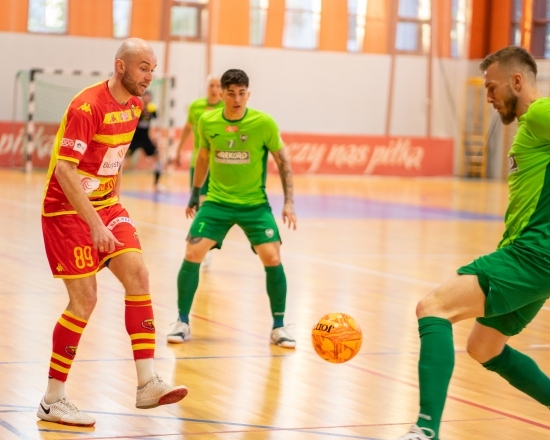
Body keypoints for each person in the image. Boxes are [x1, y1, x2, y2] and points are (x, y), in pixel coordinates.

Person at [397, 46, 550, 440]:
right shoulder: (531, 129)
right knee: (484, 347)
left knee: (433, 308)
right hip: (529, 254)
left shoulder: (539, 114)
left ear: (518, 81)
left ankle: (425, 429)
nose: (487, 97)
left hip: (534, 255)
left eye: (492, 87)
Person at [38, 38, 188, 427]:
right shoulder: (86, 106)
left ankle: (147, 383)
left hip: (106, 204)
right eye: (143, 68)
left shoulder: (136, 106)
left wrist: (114, 209)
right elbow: (64, 170)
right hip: (66, 210)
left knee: (138, 274)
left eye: (152, 69)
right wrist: (96, 224)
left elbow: (115, 158)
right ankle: (52, 399)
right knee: (85, 300)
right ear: (120, 66)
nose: (149, 77)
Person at [166, 69, 297, 347]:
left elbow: (283, 162)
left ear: (248, 94)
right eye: (231, 93)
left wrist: (289, 202)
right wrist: (194, 193)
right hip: (216, 202)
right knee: (192, 251)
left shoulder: (264, 123)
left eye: (242, 93)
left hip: (254, 205)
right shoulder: (207, 120)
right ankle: (182, 321)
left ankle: (279, 326)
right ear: (221, 94)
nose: (236, 99)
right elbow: (203, 157)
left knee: (272, 257)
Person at [174, 75, 224, 268]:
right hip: (199, 163)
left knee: (215, 205)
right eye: (211, 85)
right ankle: (203, 246)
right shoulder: (195, 107)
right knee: (200, 205)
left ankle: (209, 242)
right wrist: (178, 150)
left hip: (220, 164)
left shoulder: (226, 107)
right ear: (206, 87)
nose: (214, 89)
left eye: (218, 85)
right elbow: (187, 128)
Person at [126, 90, 164, 191]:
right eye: (145, 96)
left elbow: (157, 122)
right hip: (134, 139)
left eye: (148, 97)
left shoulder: (152, 109)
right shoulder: (137, 107)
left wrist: (157, 135)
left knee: (158, 158)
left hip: (145, 139)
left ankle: (156, 185)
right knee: (121, 160)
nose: (147, 98)